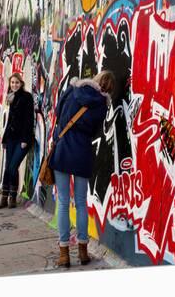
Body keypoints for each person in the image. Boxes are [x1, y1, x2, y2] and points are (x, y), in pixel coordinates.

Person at [49, 71, 115, 268]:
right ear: (109, 88)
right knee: (80, 203)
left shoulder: (72, 90)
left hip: (63, 150)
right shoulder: (102, 105)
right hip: (82, 152)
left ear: (96, 78)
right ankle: (83, 251)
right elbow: (95, 131)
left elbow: (59, 113)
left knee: (62, 201)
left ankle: (64, 254)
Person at [0, 73, 34, 209]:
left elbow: (29, 119)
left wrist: (25, 139)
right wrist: (5, 137)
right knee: (8, 168)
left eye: (17, 83)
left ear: (21, 83)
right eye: (12, 82)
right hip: (11, 138)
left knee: (13, 167)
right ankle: (5, 198)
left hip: (22, 139)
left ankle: (12, 197)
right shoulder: (10, 97)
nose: (14, 85)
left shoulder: (26, 97)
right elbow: (10, 120)